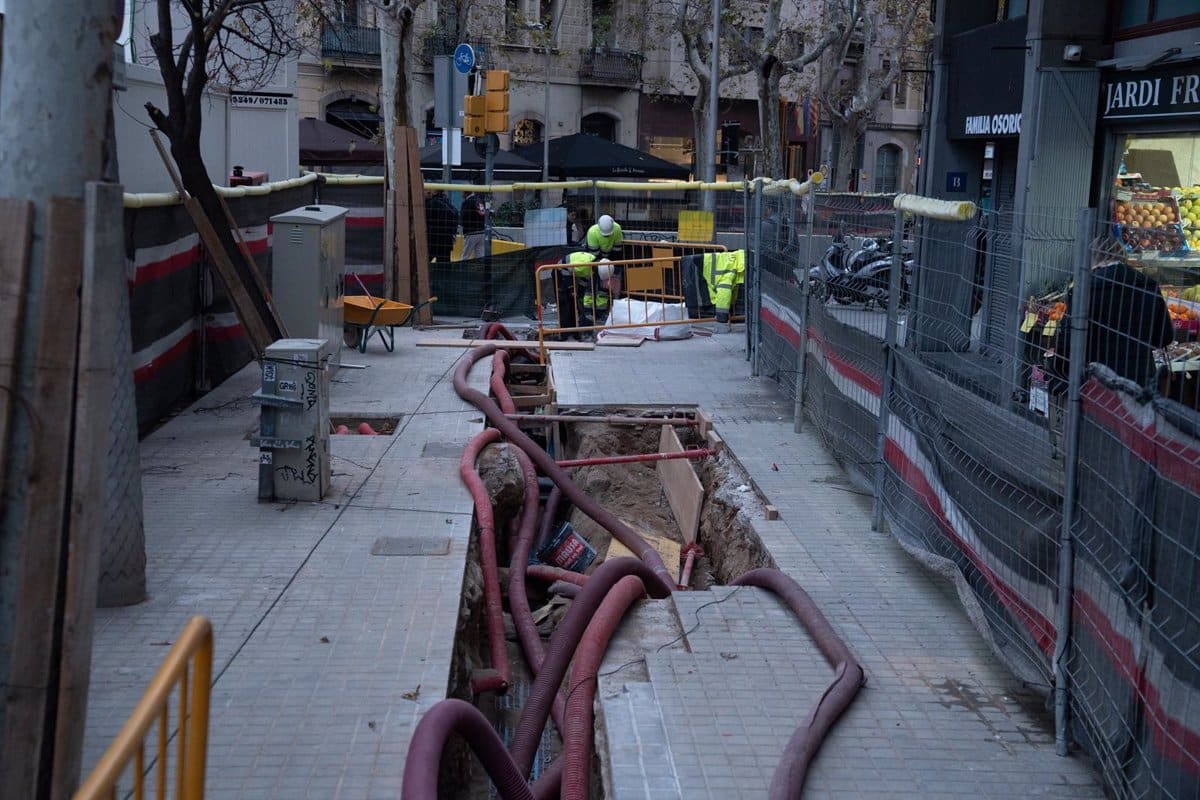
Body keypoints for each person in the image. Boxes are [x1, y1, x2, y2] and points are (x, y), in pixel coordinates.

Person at [1050, 245, 1174, 390]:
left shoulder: (1085, 289)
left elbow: (1069, 338)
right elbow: (1164, 337)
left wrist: (1058, 371)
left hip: (1097, 378)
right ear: (1123, 256)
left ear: (1094, 258)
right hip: (1140, 377)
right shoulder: (1148, 285)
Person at [556, 251, 617, 338]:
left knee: (577, 300)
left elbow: (585, 281)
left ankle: (576, 331)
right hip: (560, 270)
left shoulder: (594, 267)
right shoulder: (584, 265)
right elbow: (565, 269)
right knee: (566, 303)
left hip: (575, 273)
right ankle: (564, 334)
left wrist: (581, 294)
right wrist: (571, 288)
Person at [683, 249, 746, 327]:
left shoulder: (733, 264)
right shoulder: (732, 269)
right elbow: (724, 295)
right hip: (699, 271)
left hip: (700, 270)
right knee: (724, 291)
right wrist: (721, 319)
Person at [424, 190, 458, 263]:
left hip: (433, 240)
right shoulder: (447, 203)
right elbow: (455, 214)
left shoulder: (431, 203)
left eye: (428, 190)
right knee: (443, 266)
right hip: (446, 240)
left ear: (434, 192)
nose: (426, 192)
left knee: (423, 262)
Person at [460, 189, 488, 260]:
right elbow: (483, 213)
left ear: (465, 193)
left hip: (471, 232)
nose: (461, 194)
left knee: (465, 255)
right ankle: (480, 269)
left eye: (462, 192)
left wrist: (462, 225)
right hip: (481, 231)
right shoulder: (479, 201)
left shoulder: (467, 202)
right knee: (480, 254)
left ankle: (462, 269)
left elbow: (463, 217)